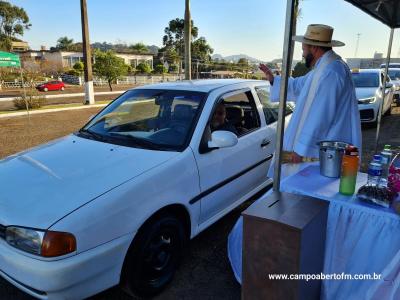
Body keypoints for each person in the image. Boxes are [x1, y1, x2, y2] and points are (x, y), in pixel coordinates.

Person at [259, 24, 362, 175]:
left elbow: (321, 115)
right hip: (320, 147)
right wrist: (274, 79)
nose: (302, 54)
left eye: (303, 49)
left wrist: (301, 150)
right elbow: (299, 85)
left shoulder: (331, 72)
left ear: (314, 48)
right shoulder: (324, 68)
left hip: (321, 149)